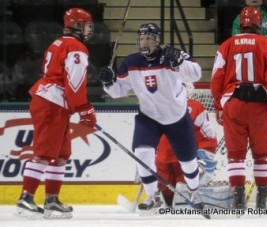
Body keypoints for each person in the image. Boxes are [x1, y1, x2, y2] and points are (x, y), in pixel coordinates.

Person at [98, 23, 204, 211]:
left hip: (176, 116)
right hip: (149, 117)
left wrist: (180, 62)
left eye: (148, 38)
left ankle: (195, 192)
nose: (144, 42)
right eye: (141, 38)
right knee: (142, 153)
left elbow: (195, 75)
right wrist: (108, 81)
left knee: (188, 160)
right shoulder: (131, 62)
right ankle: (153, 195)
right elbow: (117, 91)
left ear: (158, 40)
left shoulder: (172, 56)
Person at [16, 8, 97, 219]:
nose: (89, 29)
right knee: (44, 152)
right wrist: (84, 108)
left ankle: (51, 200)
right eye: (87, 24)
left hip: (54, 101)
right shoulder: (76, 47)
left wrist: (77, 107)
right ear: (78, 25)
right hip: (52, 102)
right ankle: (26, 199)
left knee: (60, 154)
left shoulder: (58, 43)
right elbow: (74, 81)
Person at [210, 7, 267, 210]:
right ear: (259, 24)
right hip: (259, 104)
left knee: (235, 155)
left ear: (241, 23)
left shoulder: (225, 45)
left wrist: (218, 103)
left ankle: (238, 198)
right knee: (262, 154)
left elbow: (216, 79)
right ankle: (261, 200)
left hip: (233, 104)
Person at [156, 83, 218, 207]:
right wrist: (206, 151)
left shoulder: (158, 106)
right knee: (180, 189)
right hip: (180, 157)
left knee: (171, 190)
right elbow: (208, 134)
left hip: (167, 157)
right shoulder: (195, 106)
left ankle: (168, 204)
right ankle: (174, 204)